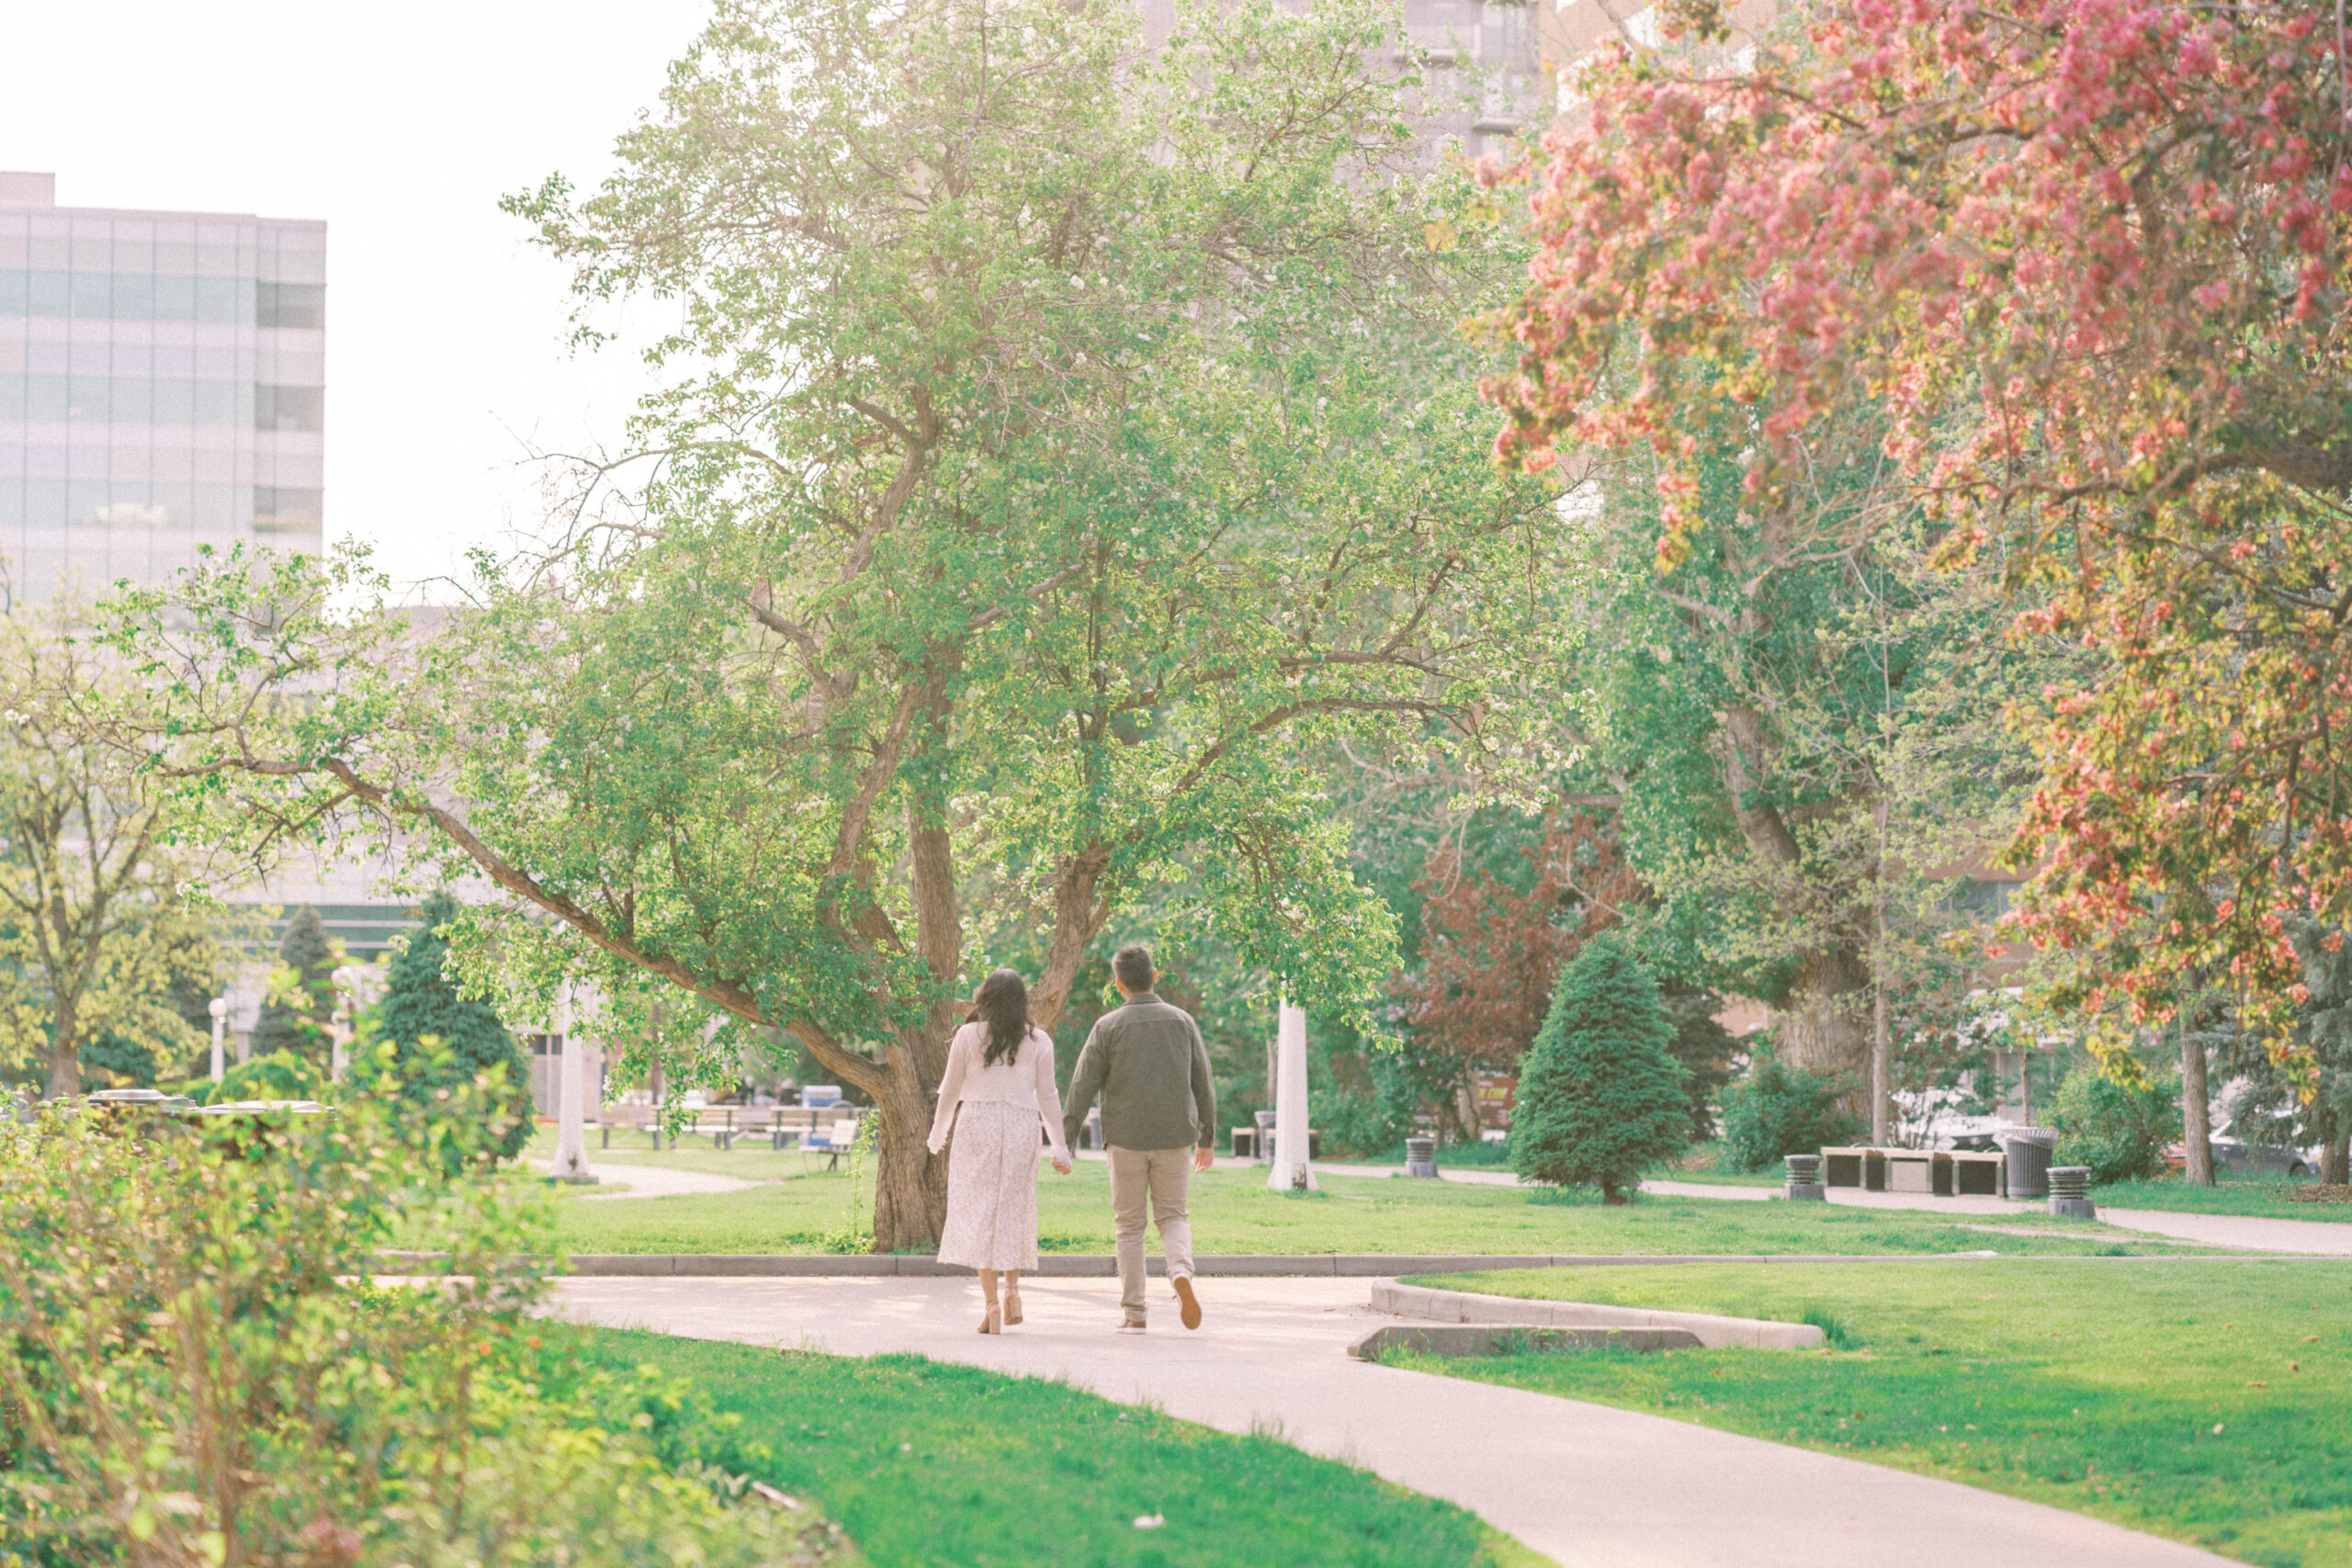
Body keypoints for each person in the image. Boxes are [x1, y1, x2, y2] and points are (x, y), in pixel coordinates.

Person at [1062, 944, 1215, 1333]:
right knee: (1173, 1216)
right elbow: (1204, 1083)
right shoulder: (1182, 1021)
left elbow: (1082, 1086)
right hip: (1176, 1135)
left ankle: (1135, 1312)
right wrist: (1207, 1137)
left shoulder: (1107, 1026)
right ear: (1155, 976)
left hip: (1125, 1139)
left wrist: (1065, 1140)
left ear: (1117, 985)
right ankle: (1180, 1273)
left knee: (1129, 1227)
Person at [927, 968, 1073, 1334]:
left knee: (980, 1212)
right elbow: (1048, 1097)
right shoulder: (1039, 1041)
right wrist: (1060, 1147)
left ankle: (991, 1305)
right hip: (1022, 1126)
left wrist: (937, 1134)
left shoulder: (966, 1036)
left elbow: (950, 1091)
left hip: (977, 1123)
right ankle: (1013, 1292)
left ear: (985, 997)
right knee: (1014, 1207)